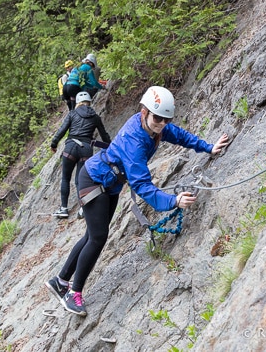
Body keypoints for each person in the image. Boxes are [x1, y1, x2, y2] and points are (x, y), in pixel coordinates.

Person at [45, 86, 230, 316]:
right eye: (158, 118)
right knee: (98, 237)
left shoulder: (155, 128)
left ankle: (60, 281)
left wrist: (207, 147)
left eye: (166, 119)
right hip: (94, 181)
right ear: (144, 112)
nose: (162, 123)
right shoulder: (135, 140)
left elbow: (179, 135)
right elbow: (142, 186)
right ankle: (74, 293)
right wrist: (173, 201)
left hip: (108, 183)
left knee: (92, 235)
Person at [50, 91, 112, 219]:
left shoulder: (72, 114)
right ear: (90, 102)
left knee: (65, 178)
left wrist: (54, 143)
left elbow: (62, 130)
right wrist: (112, 147)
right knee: (80, 180)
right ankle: (83, 208)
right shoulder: (95, 117)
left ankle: (63, 209)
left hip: (71, 148)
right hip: (86, 150)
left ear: (78, 102)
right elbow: (104, 135)